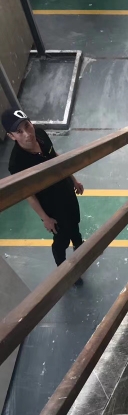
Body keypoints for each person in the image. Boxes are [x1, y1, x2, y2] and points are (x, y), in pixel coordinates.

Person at [2, 108, 85, 285]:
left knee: (75, 223)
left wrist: (73, 179)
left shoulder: (40, 134)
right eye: (19, 132)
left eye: (27, 126)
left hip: (66, 191)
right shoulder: (17, 163)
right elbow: (29, 194)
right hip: (52, 205)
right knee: (61, 240)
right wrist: (45, 218)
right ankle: (63, 271)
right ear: (11, 136)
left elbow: (56, 157)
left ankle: (80, 248)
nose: (27, 134)